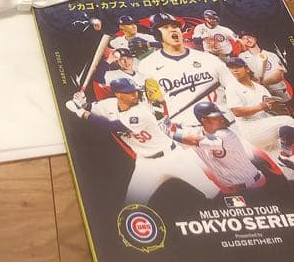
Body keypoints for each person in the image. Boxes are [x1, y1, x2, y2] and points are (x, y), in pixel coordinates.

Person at [65, 76, 219, 203]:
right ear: (118, 94)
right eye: (130, 92)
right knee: (133, 203)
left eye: (135, 91)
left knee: (211, 191)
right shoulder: (108, 105)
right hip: (146, 164)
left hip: (173, 157)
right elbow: (91, 107)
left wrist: (80, 112)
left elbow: (111, 126)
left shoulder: (141, 111)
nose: (135, 95)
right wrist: (82, 102)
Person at [139, 12, 235, 122]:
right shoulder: (147, 65)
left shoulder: (208, 59)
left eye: (175, 26)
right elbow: (152, 101)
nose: (172, 30)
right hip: (183, 127)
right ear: (156, 35)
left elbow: (234, 87)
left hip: (221, 122)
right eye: (165, 27)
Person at [169, 101, 265, 192]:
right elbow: (181, 139)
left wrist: (170, 133)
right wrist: (170, 127)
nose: (221, 119)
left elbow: (194, 140)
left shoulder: (227, 135)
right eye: (215, 117)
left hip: (254, 184)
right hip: (232, 189)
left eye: (220, 115)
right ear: (204, 120)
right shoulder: (196, 133)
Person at [223, 57, 293, 153]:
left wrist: (278, 110)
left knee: (280, 157)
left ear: (247, 69)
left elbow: (271, 108)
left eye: (238, 67)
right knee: (288, 121)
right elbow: (237, 112)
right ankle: (285, 155)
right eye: (231, 68)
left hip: (265, 128)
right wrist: (261, 106)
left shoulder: (261, 88)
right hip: (250, 129)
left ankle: (285, 155)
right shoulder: (232, 87)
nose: (234, 70)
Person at [237, 30, 288, 99]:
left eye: (249, 37)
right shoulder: (242, 57)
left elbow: (279, 75)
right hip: (261, 94)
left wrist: (262, 83)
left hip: (278, 92)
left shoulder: (271, 55)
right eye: (244, 38)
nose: (247, 40)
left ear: (255, 38)